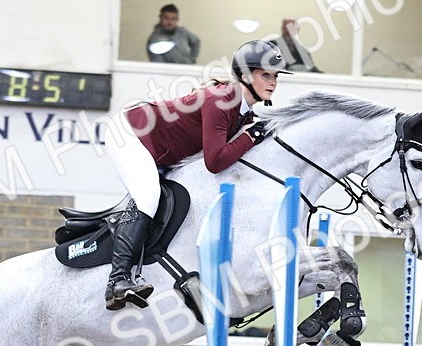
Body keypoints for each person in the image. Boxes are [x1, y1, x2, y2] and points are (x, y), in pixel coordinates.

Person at [104, 40, 290, 310]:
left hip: (157, 148)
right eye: (265, 75)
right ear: (245, 76)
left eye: (275, 76)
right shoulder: (221, 101)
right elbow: (214, 162)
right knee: (147, 196)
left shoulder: (243, 111)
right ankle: (117, 281)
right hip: (130, 133)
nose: (273, 82)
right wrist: (252, 137)